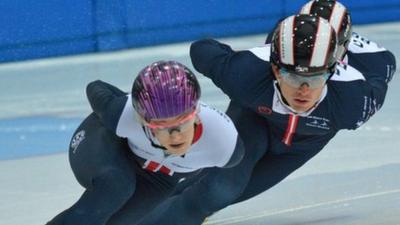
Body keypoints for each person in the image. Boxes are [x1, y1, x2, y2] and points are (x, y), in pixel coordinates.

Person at [141, 10, 396, 224]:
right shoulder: (247, 73)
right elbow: (202, 50)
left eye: (315, 77)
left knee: (226, 193)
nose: (304, 90)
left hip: (302, 145)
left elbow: (383, 68)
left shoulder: (354, 100)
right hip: (254, 119)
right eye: (293, 76)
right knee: (218, 189)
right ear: (275, 67)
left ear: (333, 68)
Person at [45, 60, 245, 225]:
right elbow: (96, 87)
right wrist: (131, 100)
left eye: (182, 123)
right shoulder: (123, 115)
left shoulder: (224, 144)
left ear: (196, 113)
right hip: (106, 143)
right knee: (116, 186)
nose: (175, 136)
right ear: (142, 120)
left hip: (158, 179)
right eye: (162, 126)